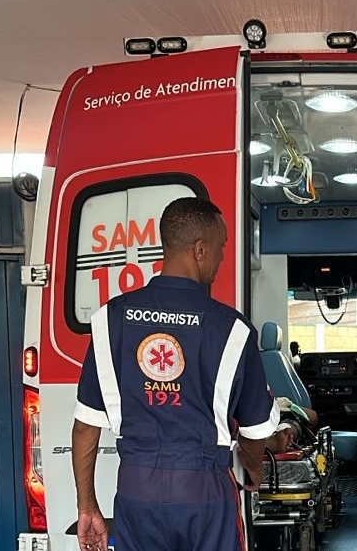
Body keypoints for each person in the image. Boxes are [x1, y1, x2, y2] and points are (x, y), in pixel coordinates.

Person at [71, 197, 279, 551]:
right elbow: (256, 430)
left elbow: (85, 426)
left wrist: (87, 505)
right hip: (204, 494)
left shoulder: (110, 320)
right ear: (199, 250)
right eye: (221, 248)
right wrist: (255, 470)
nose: (222, 258)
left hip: (136, 492)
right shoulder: (232, 329)